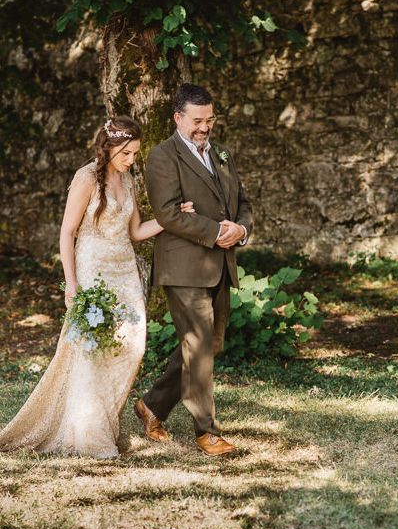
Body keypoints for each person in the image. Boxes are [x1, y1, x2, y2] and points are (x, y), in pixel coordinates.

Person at [0, 116, 194, 458]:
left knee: (131, 346)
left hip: (124, 269)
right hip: (93, 269)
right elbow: (66, 232)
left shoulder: (128, 178)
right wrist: (71, 284)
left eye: (135, 153)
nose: (132, 160)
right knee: (92, 350)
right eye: (127, 153)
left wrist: (172, 217)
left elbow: (134, 232)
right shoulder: (86, 178)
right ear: (109, 148)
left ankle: (104, 419)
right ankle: (88, 432)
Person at [134, 83, 253, 457]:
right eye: (197, 120)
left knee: (206, 344)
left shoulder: (222, 154)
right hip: (183, 265)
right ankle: (207, 432)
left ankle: (152, 406)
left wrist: (240, 229)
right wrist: (216, 231)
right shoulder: (162, 157)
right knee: (199, 345)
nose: (205, 127)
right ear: (178, 118)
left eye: (210, 119)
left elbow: (243, 202)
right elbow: (167, 214)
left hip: (220, 263)